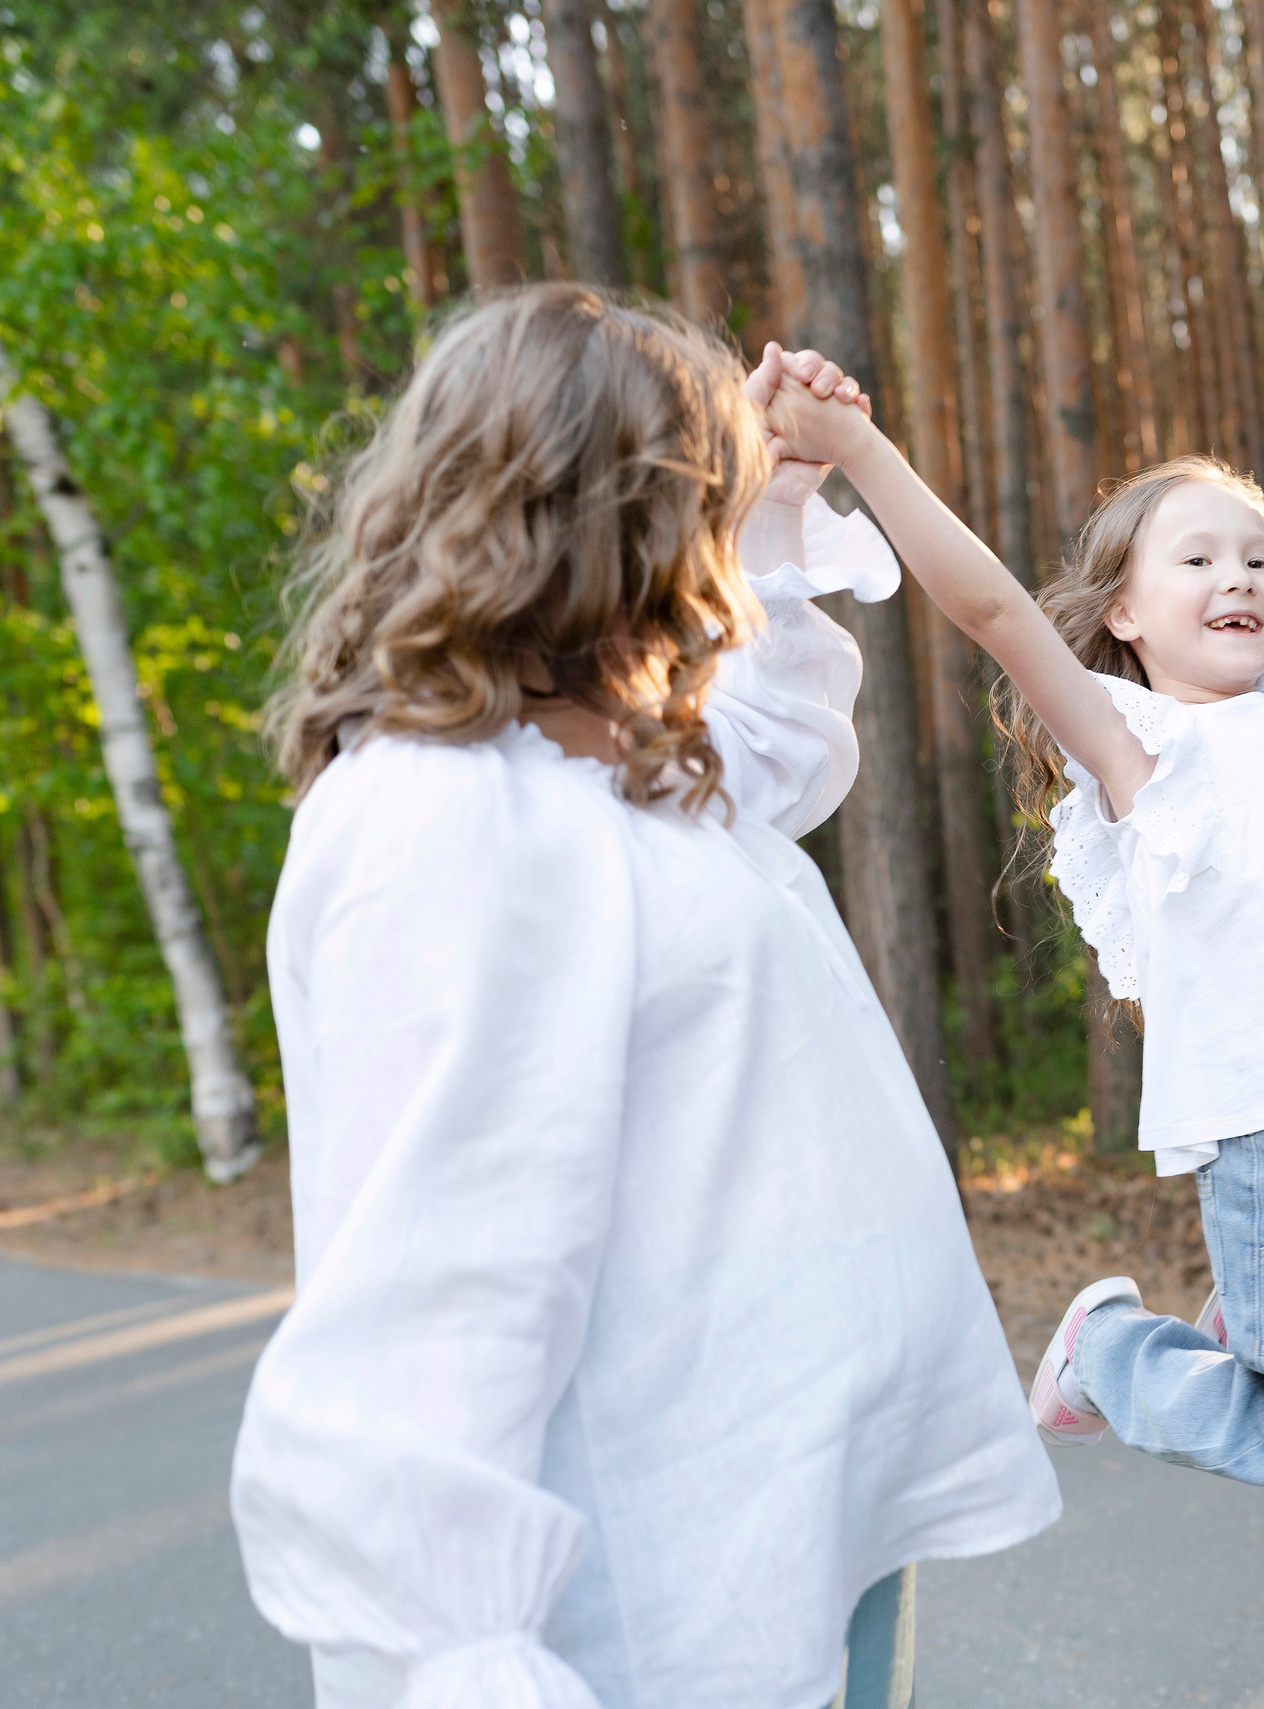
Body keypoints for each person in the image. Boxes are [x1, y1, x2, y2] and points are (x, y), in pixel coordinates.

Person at [232, 285, 1058, 1709]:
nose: (718, 546)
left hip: (805, 1508)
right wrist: (466, 1662)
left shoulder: (614, 761)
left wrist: (785, 499)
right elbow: (428, 1305)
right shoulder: (445, 821)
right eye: (708, 500)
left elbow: (782, 742)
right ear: (610, 518)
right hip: (662, 1601)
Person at [760, 302, 1264, 1493]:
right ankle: (1110, 1348)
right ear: (1123, 613)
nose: (1239, 576)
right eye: (1197, 560)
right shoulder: (1138, 753)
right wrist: (858, 449)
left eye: (1256, 559)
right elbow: (992, 608)